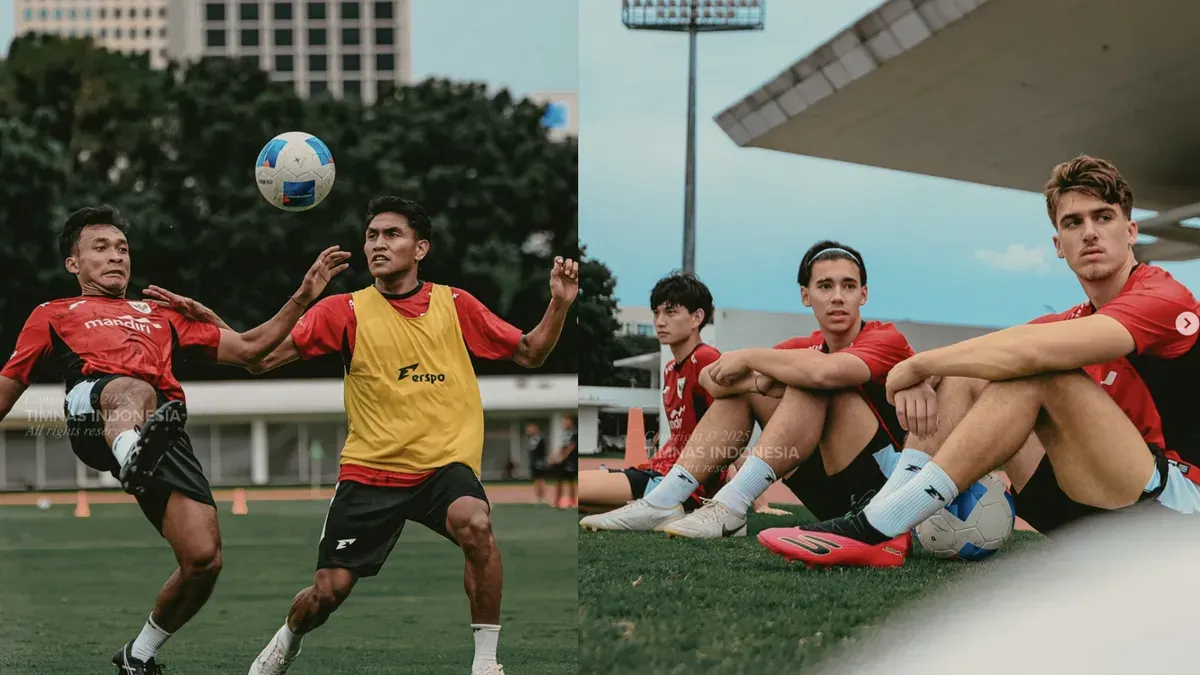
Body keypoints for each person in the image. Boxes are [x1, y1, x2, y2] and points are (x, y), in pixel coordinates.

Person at [160, 196, 575, 675]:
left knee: (476, 524)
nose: (378, 244)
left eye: (392, 235)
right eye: (372, 235)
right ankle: (287, 639)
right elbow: (259, 358)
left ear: (421, 248)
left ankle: (486, 664)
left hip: (444, 467)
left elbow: (530, 352)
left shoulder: (455, 304)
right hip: (370, 472)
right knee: (327, 593)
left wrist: (559, 305)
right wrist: (213, 319)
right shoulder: (344, 310)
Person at [762, 156, 1200, 568]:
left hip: (1176, 514)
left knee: (1037, 371)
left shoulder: (1161, 297)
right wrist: (930, 372)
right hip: (1105, 512)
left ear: (1130, 231)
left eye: (1103, 217)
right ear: (1058, 245)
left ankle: (880, 523)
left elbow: (1029, 353)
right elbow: (997, 352)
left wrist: (915, 365)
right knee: (973, 371)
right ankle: (889, 523)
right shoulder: (1069, 320)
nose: (1089, 232)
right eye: (1073, 222)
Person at [0, 205, 348, 675]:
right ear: (73, 264)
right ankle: (129, 458)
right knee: (132, 388)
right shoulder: (53, 313)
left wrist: (303, 296)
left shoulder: (162, 314)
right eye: (99, 248)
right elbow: (8, 387)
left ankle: (138, 655)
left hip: (160, 430)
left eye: (122, 248)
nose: (115, 257)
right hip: (93, 410)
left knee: (203, 560)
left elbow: (250, 350)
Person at [580, 244, 926, 538]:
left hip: (889, 492)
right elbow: (713, 381)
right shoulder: (807, 346)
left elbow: (825, 373)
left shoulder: (885, 337)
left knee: (810, 376)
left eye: (849, 286)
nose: (837, 297)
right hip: (828, 494)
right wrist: (760, 383)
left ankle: (732, 502)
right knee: (779, 379)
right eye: (825, 286)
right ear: (806, 295)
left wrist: (749, 358)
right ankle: (664, 500)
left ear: (863, 294)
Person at [577, 272, 723, 521]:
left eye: (671, 312)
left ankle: (671, 508)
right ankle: (661, 512)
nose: (659, 321)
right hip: (659, 470)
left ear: (697, 317)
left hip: (682, 484)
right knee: (583, 503)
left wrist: (745, 497)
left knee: (578, 488)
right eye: (656, 313)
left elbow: (731, 431)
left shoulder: (706, 359)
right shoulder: (669, 371)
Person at [547, 414, 579, 508]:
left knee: (571, 480)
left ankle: (572, 501)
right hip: (562, 461)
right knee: (558, 480)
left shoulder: (574, 433)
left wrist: (563, 457)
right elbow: (562, 447)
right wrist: (554, 456)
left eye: (566, 421)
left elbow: (571, 447)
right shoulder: (564, 433)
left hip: (571, 460)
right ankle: (557, 501)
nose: (564, 423)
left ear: (571, 422)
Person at [525, 422, 552, 505]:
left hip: (540, 462)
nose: (528, 431)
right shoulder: (530, 440)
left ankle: (542, 497)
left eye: (530, 429)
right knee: (536, 480)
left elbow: (544, 451)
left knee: (541, 480)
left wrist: (544, 461)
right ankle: (537, 497)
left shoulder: (540, 439)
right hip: (533, 462)